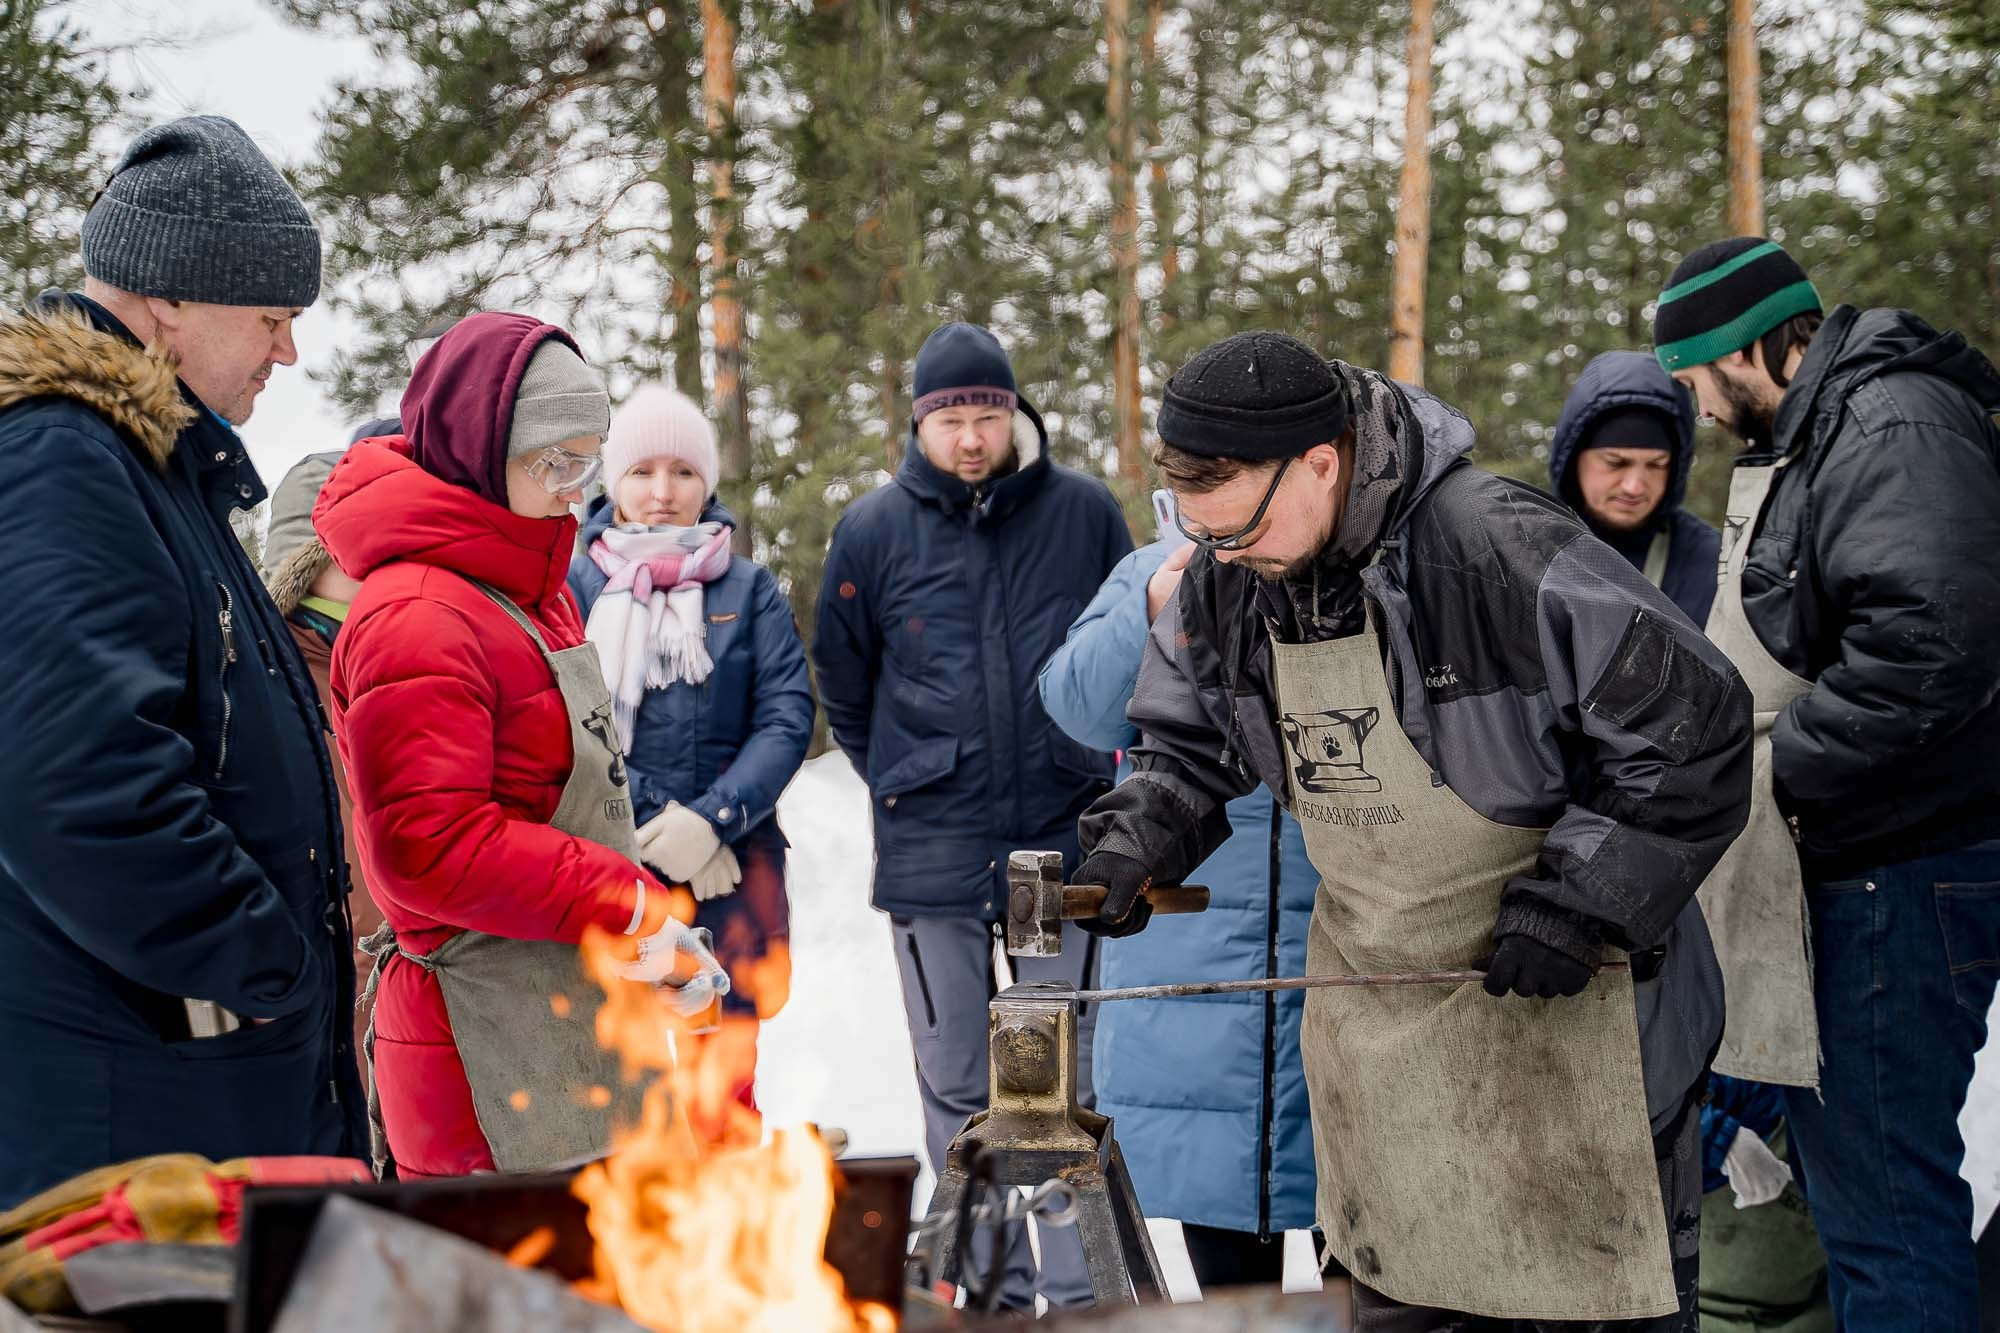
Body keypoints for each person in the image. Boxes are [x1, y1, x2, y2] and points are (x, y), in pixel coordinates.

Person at [1072, 331, 1750, 1327]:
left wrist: (1579, 899)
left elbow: (1692, 725)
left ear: (1319, 460)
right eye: (1201, 534)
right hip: (1382, 1045)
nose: (1222, 556)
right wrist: (1136, 840)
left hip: (1571, 1026)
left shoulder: (1495, 548)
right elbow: (1188, 742)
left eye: (1239, 526)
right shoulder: (1231, 577)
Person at [0, 115, 367, 1207]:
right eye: (270, 317)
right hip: (138, 1105)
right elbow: (76, 784)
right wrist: (270, 972)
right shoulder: (64, 462)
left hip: (191, 1080)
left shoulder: (153, 464)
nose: (287, 351)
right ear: (167, 300)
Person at [1654, 236, 2000, 1331]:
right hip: (1855, 869)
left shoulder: (1886, 422)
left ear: (1752, 347)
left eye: (1696, 380)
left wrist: (1765, 772)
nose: (1697, 412)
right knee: (1864, 1205)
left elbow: (1933, 644)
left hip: (1894, 877)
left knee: (1886, 1219)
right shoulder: (1830, 431)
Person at [315, 312, 724, 1180]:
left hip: (570, 1020)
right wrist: (624, 899)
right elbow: (427, 849)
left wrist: (640, 932)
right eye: (555, 464)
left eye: (588, 461)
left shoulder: (526, 586)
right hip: (481, 1052)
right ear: (476, 448)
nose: (577, 489)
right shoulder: (417, 614)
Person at [811, 322, 1133, 1312]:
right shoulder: (870, 529)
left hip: (1053, 836)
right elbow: (842, 672)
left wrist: (1086, 761)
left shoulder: (1080, 512)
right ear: (919, 422)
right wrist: (904, 775)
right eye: (948, 414)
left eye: (983, 412)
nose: (967, 434)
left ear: (1010, 414)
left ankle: (1075, 1295)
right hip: (934, 846)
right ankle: (991, 1292)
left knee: (1048, 1081)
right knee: (957, 1080)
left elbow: (1125, 646)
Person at [1038, 490, 1328, 1293]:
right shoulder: (1148, 569)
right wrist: (1149, 608)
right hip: (1195, 950)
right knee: (1228, 1247)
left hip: (1331, 935)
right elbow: (1077, 704)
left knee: (1364, 1238)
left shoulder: (1347, 570)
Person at [568, 384, 815, 1104]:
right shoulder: (570, 587)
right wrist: (653, 824)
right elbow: (568, 720)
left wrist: (711, 821)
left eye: (682, 471)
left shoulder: (749, 587)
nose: (663, 491)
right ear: (613, 480)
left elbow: (785, 717)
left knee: (721, 1090)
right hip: (615, 869)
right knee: (624, 1090)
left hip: (731, 871)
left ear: (707, 481)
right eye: (642, 471)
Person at [262, 438, 386, 1063]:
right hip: (314, 997)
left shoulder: (405, 660)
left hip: (412, 984)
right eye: (356, 550)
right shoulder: (259, 680)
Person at [1548, 350, 1719, 625]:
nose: (1634, 486)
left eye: (1656, 465)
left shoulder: (1717, 568)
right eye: (1615, 462)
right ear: (1572, 459)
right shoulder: (1525, 548)